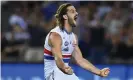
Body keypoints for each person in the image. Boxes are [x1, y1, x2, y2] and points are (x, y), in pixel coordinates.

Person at [44, 3, 110, 80]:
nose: (76, 13)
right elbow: (58, 59)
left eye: (76, 11)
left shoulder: (73, 37)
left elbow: (80, 60)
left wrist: (99, 72)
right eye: (72, 11)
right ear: (65, 16)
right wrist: (65, 69)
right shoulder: (55, 35)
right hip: (53, 74)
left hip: (65, 74)